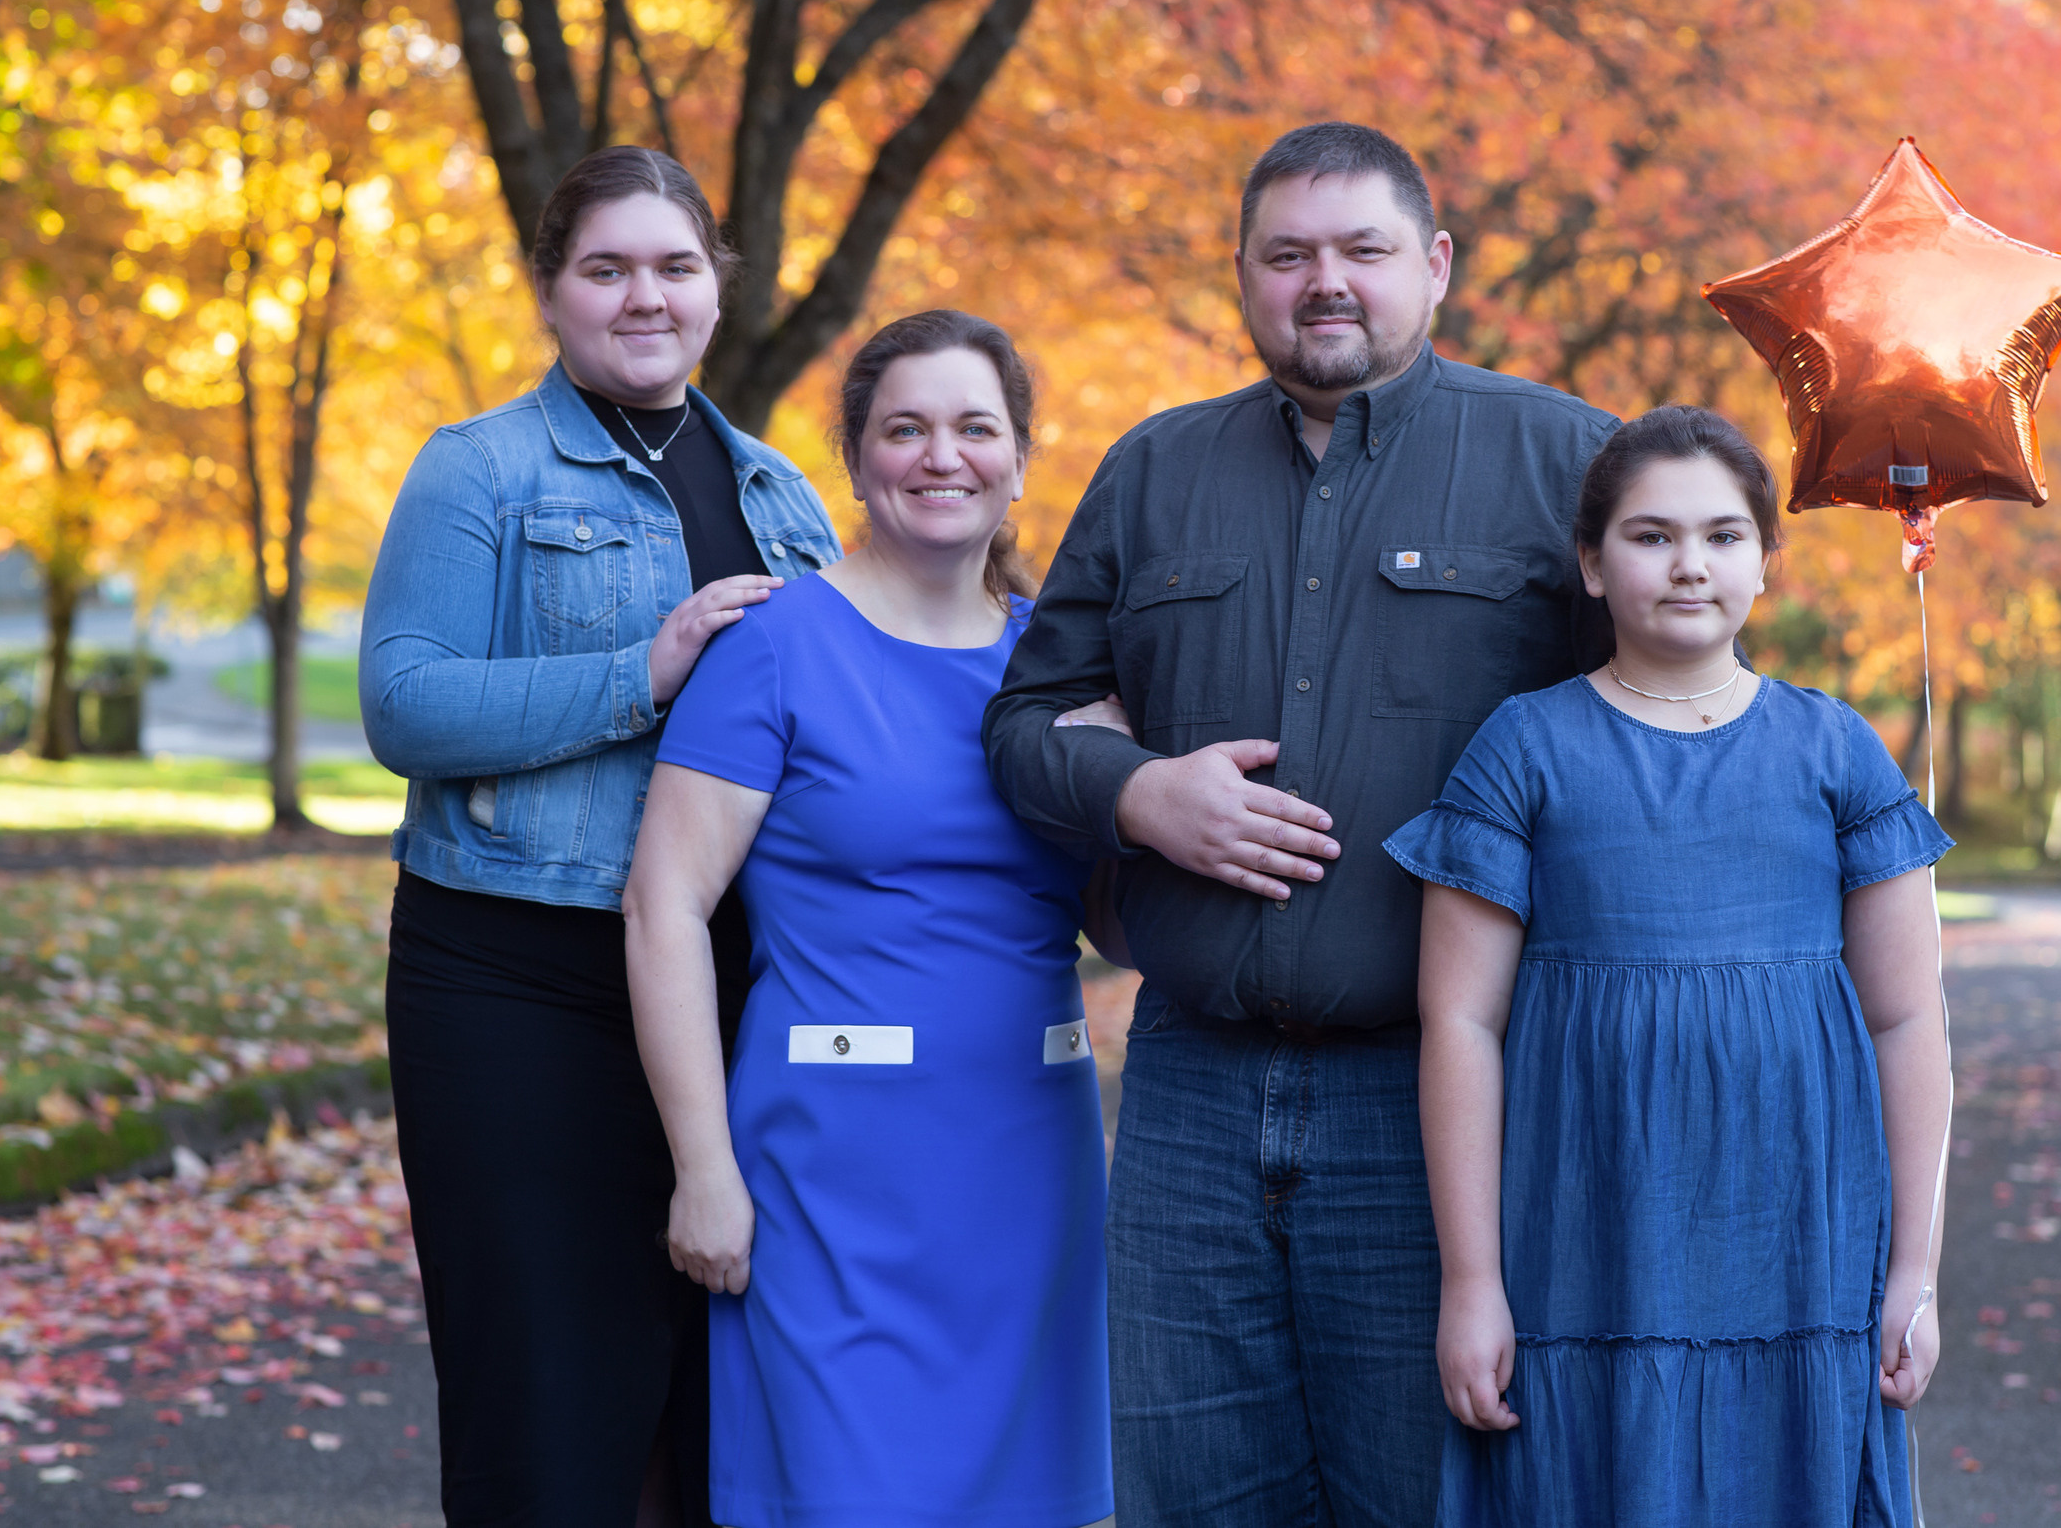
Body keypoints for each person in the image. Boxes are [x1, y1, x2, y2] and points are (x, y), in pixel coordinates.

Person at [983, 121, 1620, 1526]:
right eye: (1288, 255)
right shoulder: (1155, 471)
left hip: (1437, 1107)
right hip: (1189, 1095)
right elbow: (1024, 726)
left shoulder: (1570, 463)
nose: (1324, 282)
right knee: (1188, 1497)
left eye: (1363, 251)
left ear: (1436, 265)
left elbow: (1665, 714)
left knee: (1428, 1493)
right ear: (1245, 277)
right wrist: (1142, 793)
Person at [359, 146, 841, 1526]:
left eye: (675, 266)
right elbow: (406, 703)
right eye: (608, 268)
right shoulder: (480, 471)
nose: (646, 296)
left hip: (729, 983)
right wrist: (647, 664)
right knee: (549, 1393)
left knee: (718, 1388)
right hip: (517, 980)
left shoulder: (782, 493)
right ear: (553, 292)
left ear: (716, 288)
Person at [1390, 405, 1953, 1525]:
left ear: (1763, 562)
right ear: (1591, 566)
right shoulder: (1524, 746)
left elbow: (1908, 1021)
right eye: (1649, 536)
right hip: (1589, 1239)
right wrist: (1472, 1285)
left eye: (1723, 535)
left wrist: (1913, 1275)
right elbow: (1460, 1023)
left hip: (1801, 1244)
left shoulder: (1835, 748)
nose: (1689, 563)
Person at [622, 310, 1113, 1528]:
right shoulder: (779, 646)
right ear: (855, 459)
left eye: (973, 428)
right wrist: (704, 1172)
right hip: (832, 1179)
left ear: (1018, 457)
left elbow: (1128, 915)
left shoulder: (1062, 672)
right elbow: (664, 905)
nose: (940, 456)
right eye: (905, 429)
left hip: (1032, 1171)